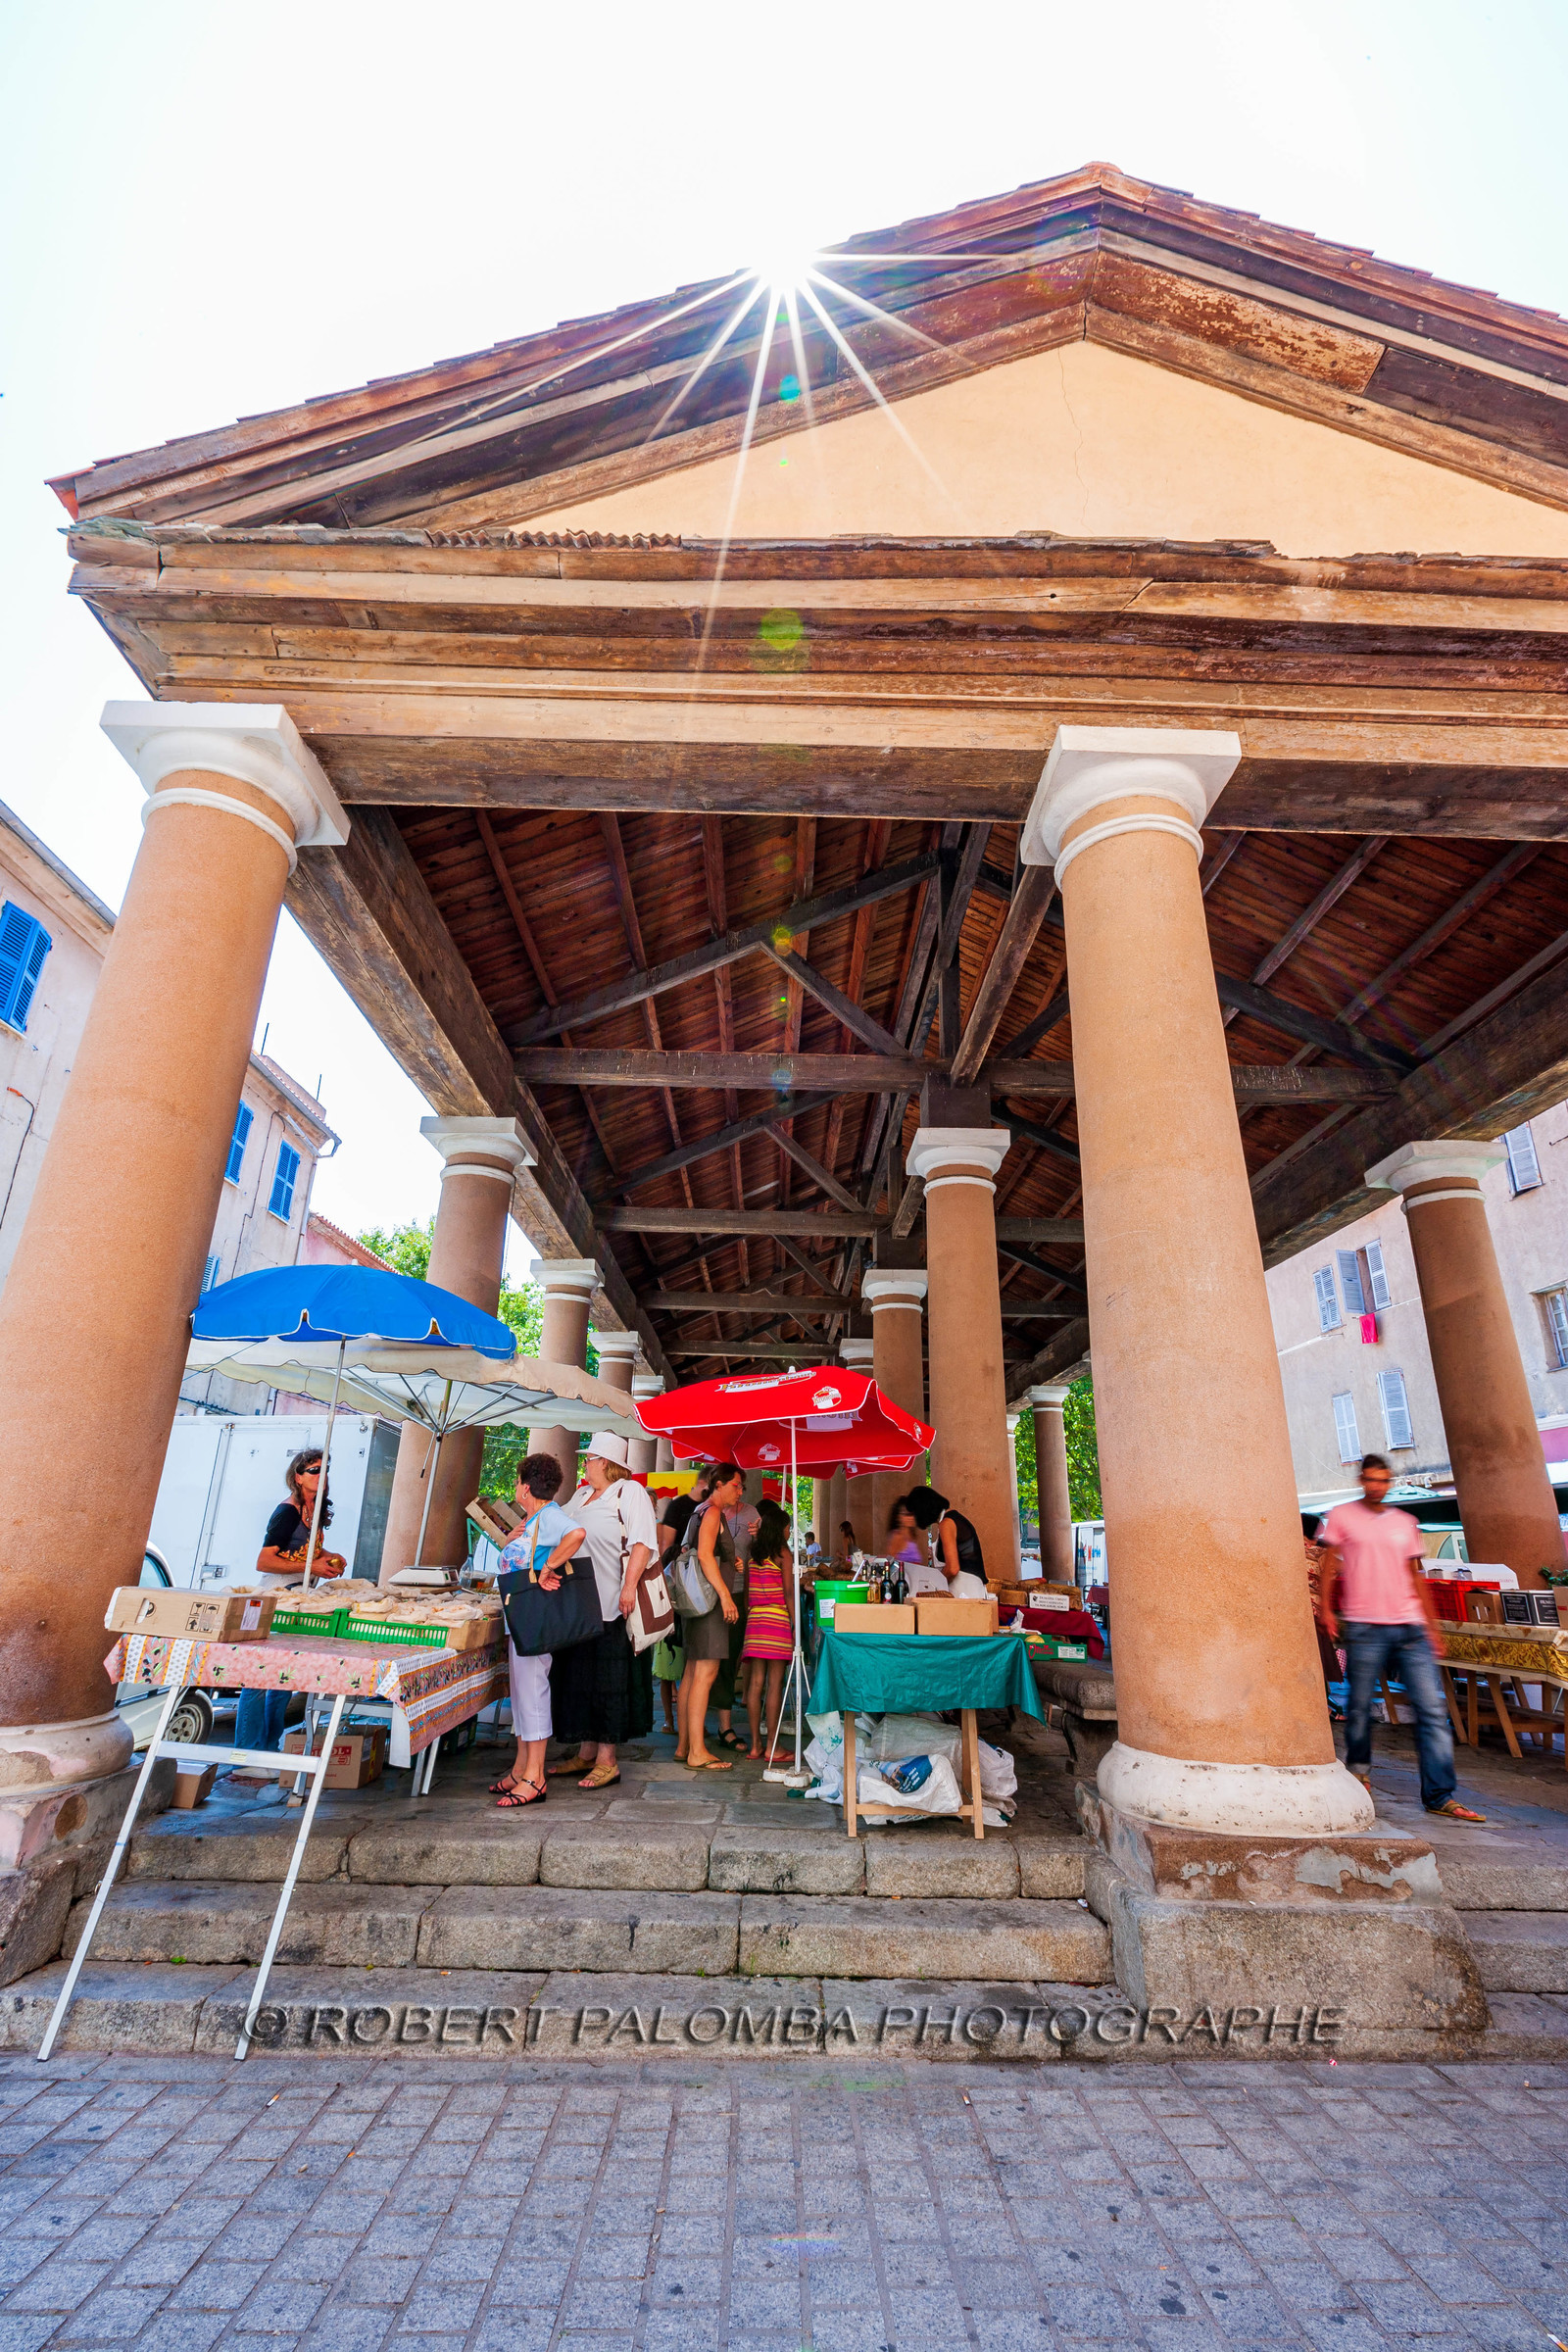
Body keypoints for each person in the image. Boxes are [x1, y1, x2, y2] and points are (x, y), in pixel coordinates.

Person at [1319, 1452, 1485, 1822]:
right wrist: (1327, 1610)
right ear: (1361, 1481)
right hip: (1365, 1624)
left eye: (1383, 1481)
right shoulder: (1342, 1516)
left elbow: (1415, 1576)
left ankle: (1440, 1795)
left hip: (1410, 1627)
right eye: (1371, 1480)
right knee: (1359, 1708)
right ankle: (1359, 1775)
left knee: (1431, 1710)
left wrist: (1432, 1625)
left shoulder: (1405, 1521)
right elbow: (1328, 1564)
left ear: (1389, 1482)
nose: (1376, 1487)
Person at [545, 1433, 660, 1791]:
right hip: (578, 1606)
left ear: (607, 1464)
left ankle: (608, 1761)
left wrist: (628, 1587)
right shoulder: (580, 1495)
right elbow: (558, 1529)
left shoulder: (629, 1493)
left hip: (612, 1604)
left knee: (609, 1682)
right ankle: (586, 1751)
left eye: (590, 1458)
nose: (585, 1464)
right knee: (580, 1680)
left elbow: (643, 1543)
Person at [233, 1448, 345, 1765]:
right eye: (313, 1470)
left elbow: (305, 1553)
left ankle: (268, 1748)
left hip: (299, 1600)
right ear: (297, 1477)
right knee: (258, 1677)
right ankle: (246, 1755)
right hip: (276, 1599)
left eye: (324, 1470)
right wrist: (312, 1569)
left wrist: (330, 1559)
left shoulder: (317, 1509)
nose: (320, 1475)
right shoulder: (287, 1512)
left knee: (283, 1679)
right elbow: (265, 1560)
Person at [492, 1453, 585, 1810]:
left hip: (534, 1616)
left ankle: (535, 1776)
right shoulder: (535, 1519)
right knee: (521, 1691)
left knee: (532, 1692)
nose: (516, 1487)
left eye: (517, 1481)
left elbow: (577, 1533)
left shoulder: (549, 1516)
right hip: (522, 1615)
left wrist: (549, 1566)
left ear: (526, 1487)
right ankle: (521, 1768)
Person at [675, 1462, 745, 1771]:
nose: (740, 1491)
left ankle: (684, 1746)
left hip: (695, 1603)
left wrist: (732, 1562)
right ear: (719, 1484)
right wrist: (727, 1595)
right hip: (710, 1604)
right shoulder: (713, 1512)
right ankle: (697, 1752)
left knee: (692, 1673)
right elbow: (704, 1555)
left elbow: (704, 1552)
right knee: (705, 1675)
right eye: (736, 1485)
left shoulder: (699, 1511)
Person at [740, 1499, 796, 1759]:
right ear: (780, 1528)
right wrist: (795, 1625)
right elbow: (788, 1594)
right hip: (777, 1620)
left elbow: (748, 1593)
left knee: (755, 1684)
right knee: (775, 1684)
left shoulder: (754, 1553)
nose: (789, 1531)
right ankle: (773, 1746)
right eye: (787, 1527)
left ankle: (755, 1745)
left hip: (755, 1620)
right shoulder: (784, 1554)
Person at [904, 1486, 988, 1596]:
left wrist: (935, 1586)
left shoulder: (946, 1524)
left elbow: (953, 1568)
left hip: (964, 1591)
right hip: (972, 1589)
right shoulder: (954, 1518)